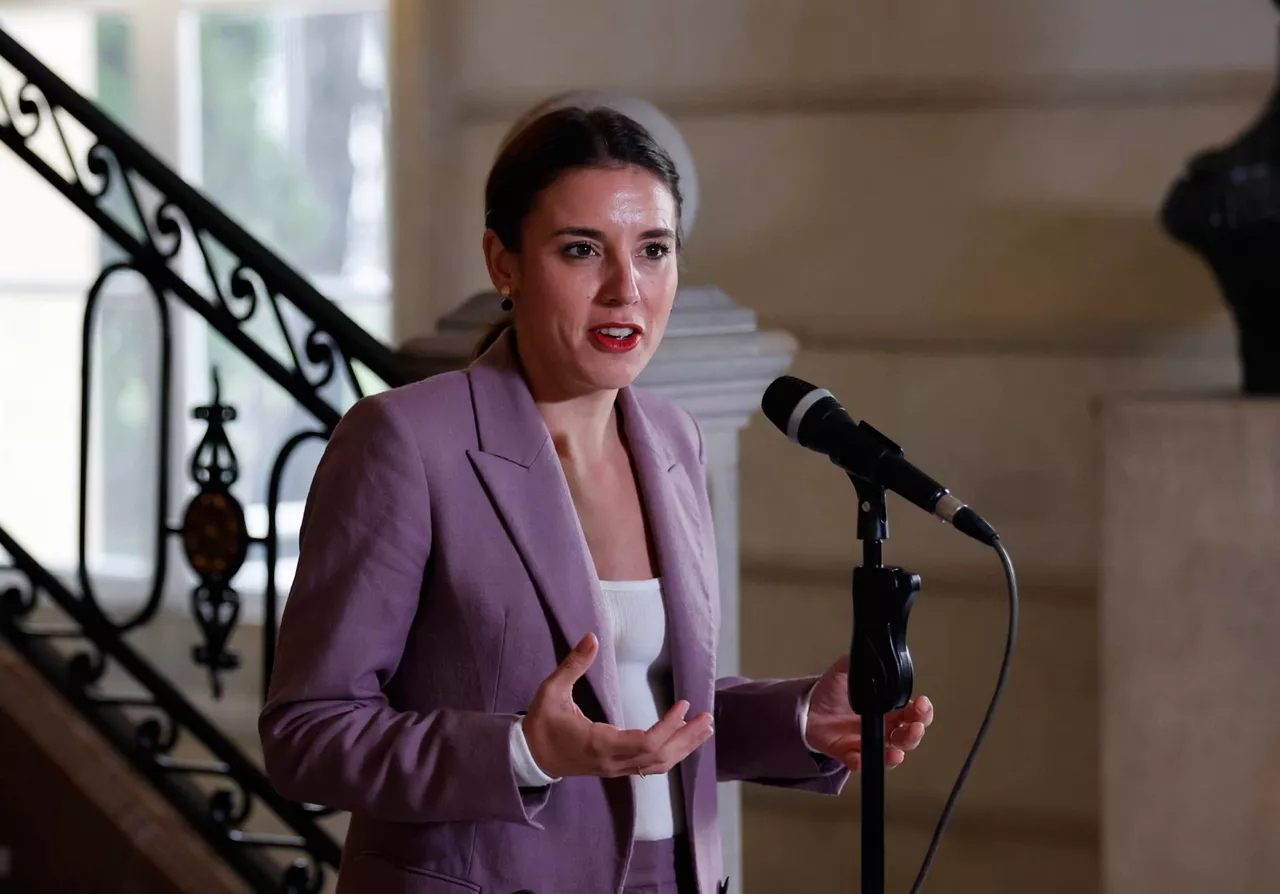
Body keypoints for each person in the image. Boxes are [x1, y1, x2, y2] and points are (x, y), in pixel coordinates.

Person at [259, 105, 934, 894]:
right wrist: (522, 751)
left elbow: (645, 711)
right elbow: (307, 733)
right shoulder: (404, 442)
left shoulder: (675, 442)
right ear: (502, 261)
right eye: (582, 250)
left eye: (654, 250)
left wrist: (800, 722)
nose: (626, 289)